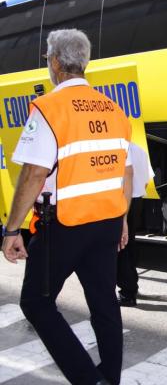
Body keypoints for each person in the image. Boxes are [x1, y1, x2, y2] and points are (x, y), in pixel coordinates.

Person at [1, 29, 133, 385]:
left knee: (36, 303)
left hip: (64, 225)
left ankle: (88, 381)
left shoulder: (49, 108)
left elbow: (32, 175)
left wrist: (12, 229)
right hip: (105, 221)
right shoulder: (114, 110)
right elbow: (121, 170)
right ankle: (109, 378)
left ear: (56, 63)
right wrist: (121, 219)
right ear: (83, 62)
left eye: (47, 59)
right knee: (104, 303)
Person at [117, 142, 154, 307]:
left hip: (122, 201)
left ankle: (128, 292)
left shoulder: (117, 148)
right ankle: (132, 285)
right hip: (138, 200)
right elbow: (147, 180)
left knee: (121, 248)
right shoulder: (139, 150)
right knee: (130, 244)